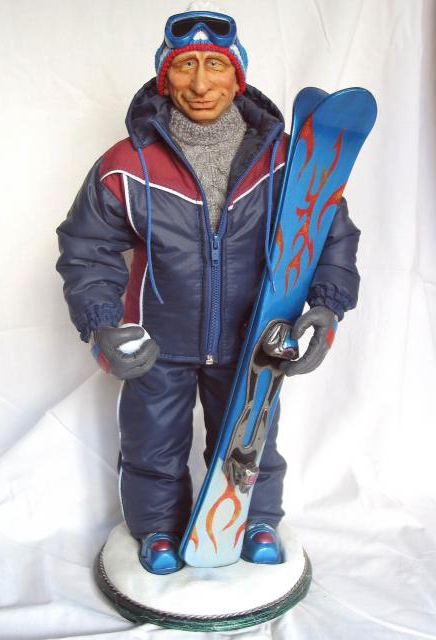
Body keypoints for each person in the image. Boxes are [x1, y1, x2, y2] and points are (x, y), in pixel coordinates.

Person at [56, 4, 361, 575]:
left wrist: (327, 307)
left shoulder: (285, 161)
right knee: (152, 444)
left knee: (251, 438)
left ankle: (257, 521)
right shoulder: (126, 164)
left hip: (254, 335)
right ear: (164, 76)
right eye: (185, 65)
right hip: (157, 339)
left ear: (237, 76)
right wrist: (102, 322)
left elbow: (330, 236)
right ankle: (157, 529)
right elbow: (86, 247)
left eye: (215, 65)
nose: (200, 84)